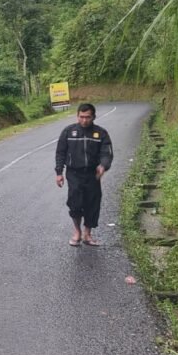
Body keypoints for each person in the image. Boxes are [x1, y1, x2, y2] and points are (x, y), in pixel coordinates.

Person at [55, 103, 114, 247]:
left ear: (93, 117)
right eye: (81, 117)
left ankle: (87, 234)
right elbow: (60, 152)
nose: (84, 120)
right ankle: (77, 232)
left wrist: (103, 166)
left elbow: (107, 153)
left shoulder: (101, 133)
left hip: (92, 175)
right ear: (77, 116)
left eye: (88, 117)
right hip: (74, 173)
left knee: (92, 204)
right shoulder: (68, 132)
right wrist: (59, 172)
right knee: (75, 203)